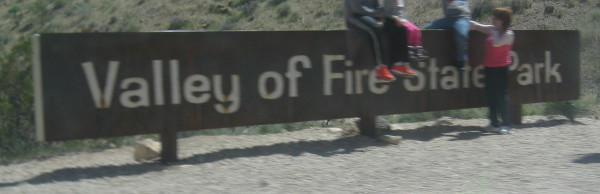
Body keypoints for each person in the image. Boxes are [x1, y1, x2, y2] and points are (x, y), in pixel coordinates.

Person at [344, 0, 416, 82]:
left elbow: (377, 6)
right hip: (355, 17)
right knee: (376, 29)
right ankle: (380, 67)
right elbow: (357, 9)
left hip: (371, 15)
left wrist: (387, 17)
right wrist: (376, 14)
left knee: (400, 27)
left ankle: (399, 64)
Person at [470, 7, 515, 134]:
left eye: (496, 18)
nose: (493, 20)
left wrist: (492, 30)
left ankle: (506, 124)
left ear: (503, 20)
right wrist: (463, 22)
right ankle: (493, 122)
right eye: (493, 17)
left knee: (501, 96)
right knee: (491, 96)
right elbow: (476, 26)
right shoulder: (492, 30)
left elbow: (496, 43)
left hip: (502, 69)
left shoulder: (509, 34)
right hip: (489, 68)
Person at [425, 0, 471, 69]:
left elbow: (457, 3)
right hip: (448, 18)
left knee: (461, 35)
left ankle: (461, 60)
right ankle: (424, 55)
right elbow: (446, 3)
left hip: (461, 18)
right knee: (426, 29)